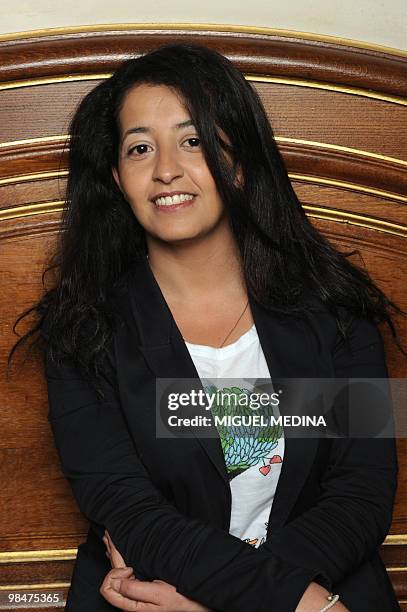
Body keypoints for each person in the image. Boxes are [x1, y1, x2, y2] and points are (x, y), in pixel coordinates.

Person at [9, 43, 403, 611]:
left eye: (193, 141)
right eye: (140, 147)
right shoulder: (82, 330)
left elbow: (362, 493)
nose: (166, 168)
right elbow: (127, 509)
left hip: (320, 583)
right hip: (152, 596)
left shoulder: (336, 306)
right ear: (118, 178)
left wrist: (235, 602)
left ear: (238, 161)